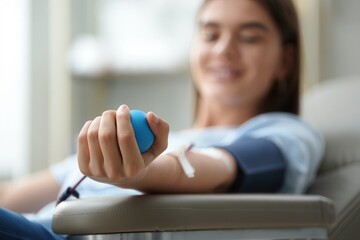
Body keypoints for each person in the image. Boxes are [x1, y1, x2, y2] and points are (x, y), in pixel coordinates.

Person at [0, 0, 324, 239]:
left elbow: (223, 169)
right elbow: (12, 196)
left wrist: (138, 171)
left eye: (250, 37)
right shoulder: (126, 150)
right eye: (210, 35)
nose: (225, 49)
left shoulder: (288, 133)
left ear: (285, 60)